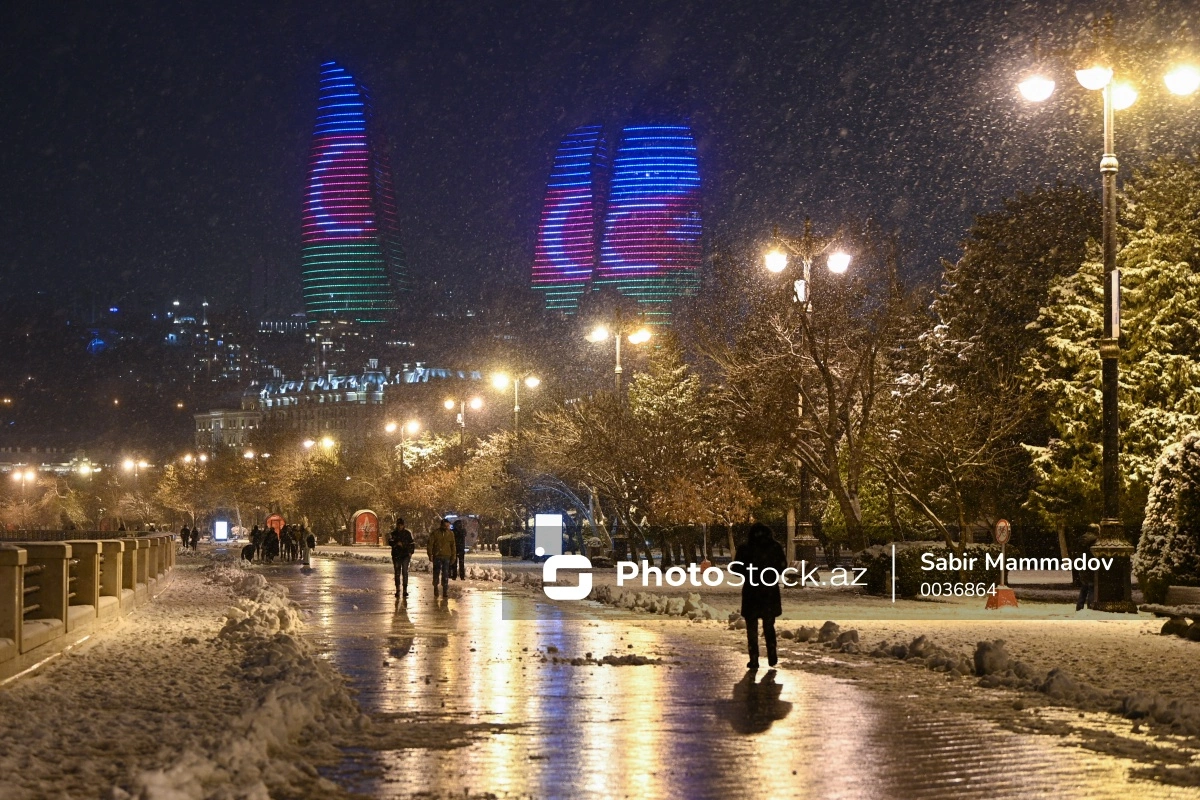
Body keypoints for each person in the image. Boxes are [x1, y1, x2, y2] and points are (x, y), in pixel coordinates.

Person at [731, 523, 787, 670]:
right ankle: (772, 654)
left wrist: (749, 573)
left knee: (752, 628)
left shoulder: (745, 548)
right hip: (769, 591)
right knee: (769, 626)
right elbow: (782, 566)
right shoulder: (775, 547)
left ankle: (754, 658)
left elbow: (736, 567)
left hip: (752, 591)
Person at [427, 519, 457, 598]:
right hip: (437, 556)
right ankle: (436, 586)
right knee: (436, 572)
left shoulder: (450, 534)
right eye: (445, 525)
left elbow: (453, 545)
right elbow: (430, 544)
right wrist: (430, 554)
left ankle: (445, 589)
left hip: (447, 556)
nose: (446, 527)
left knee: (445, 573)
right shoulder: (435, 533)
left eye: (448, 525)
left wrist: (453, 556)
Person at [387, 518, 416, 597]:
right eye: (399, 525)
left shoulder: (407, 533)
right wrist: (396, 543)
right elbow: (390, 541)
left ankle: (405, 590)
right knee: (397, 572)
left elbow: (412, 543)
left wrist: (410, 552)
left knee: (405, 572)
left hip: (405, 555)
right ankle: (398, 589)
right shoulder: (394, 533)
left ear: (403, 525)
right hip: (396, 555)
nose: (400, 526)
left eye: (401, 525)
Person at [1076, 526, 1098, 611]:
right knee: (1092, 586)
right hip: (1091, 564)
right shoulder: (1095, 540)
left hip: (1082, 564)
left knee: (1084, 586)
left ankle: (1079, 606)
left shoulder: (1081, 539)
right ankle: (1090, 606)